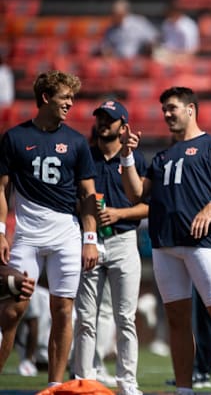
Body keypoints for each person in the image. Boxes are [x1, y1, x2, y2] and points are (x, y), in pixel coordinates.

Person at [119, 86, 211, 395]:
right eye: (164, 110)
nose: (167, 114)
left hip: (201, 243)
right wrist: (126, 157)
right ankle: (185, 389)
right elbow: (136, 193)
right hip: (165, 244)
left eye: (172, 107)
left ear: (191, 109)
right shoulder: (161, 155)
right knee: (176, 318)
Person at [0, 70, 99, 387]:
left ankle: (55, 386)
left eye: (73, 97)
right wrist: (0, 231)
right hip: (27, 235)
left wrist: (90, 239)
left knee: (62, 309)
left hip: (66, 236)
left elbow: (88, 196)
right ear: (45, 98)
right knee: (13, 309)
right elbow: (1, 190)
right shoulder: (15, 138)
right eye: (65, 97)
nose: (71, 103)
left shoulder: (76, 142)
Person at [72, 99, 146, 395]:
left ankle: (127, 382)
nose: (103, 123)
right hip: (90, 239)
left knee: (125, 318)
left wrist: (119, 214)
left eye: (110, 119)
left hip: (124, 240)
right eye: (100, 118)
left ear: (123, 127)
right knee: (85, 317)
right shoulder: (84, 157)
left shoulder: (135, 160)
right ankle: (84, 379)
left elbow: (148, 207)